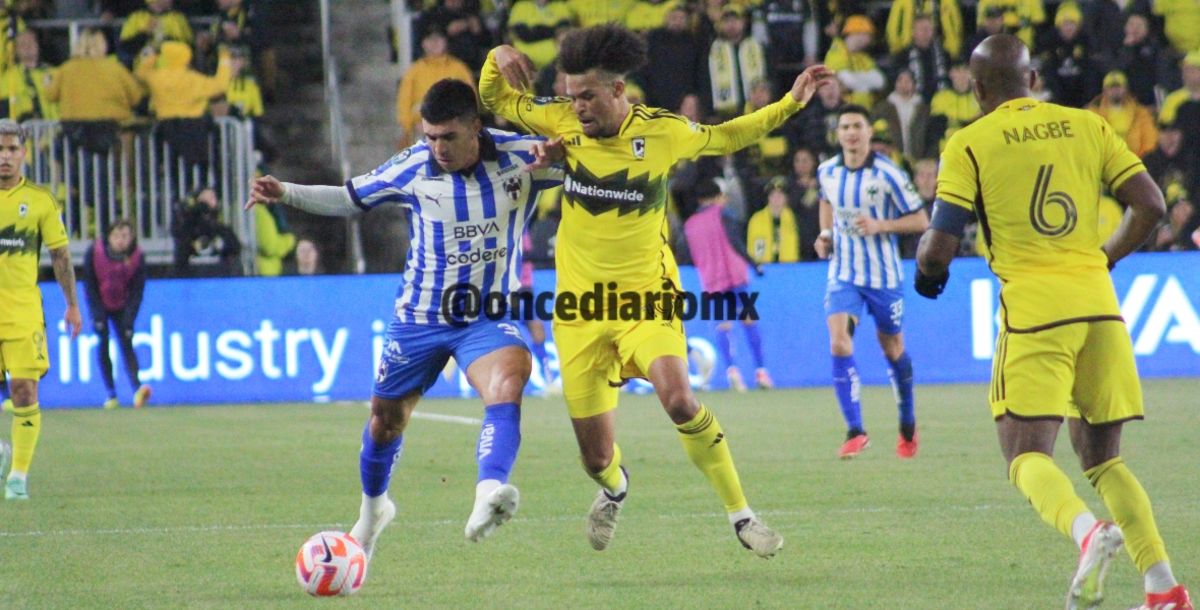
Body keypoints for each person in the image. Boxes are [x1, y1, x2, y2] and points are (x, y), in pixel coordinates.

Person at [480, 23, 834, 558]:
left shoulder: (664, 132)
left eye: (588, 98)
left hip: (647, 298)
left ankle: (742, 515)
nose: (577, 108)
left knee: (679, 398)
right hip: (579, 311)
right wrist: (498, 54)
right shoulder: (558, 119)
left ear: (619, 91)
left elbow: (728, 134)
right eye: (572, 97)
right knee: (596, 458)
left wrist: (788, 103)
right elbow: (495, 95)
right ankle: (615, 488)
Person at [915, 34, 1193, 610]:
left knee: (1025, 456)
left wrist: (927, 275)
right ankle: (1164, 587)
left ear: (975, 89)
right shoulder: (1086, 125)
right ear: (1034, 81)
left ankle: (1088, 534)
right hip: (1099, 304)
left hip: (1035, 311)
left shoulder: (969, 143)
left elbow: (939, 246)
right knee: (1105, 459)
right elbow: (1151, 206)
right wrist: (1104, 258)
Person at [244, 79, 565, 571]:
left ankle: (488, 490)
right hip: (418, 319)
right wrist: (285, 192)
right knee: (385, 421)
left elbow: (592, 166)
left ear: (476, 128)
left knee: (508, 381)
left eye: (448, 138)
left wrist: (561, 159)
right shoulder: (414, 166)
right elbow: (349, 199)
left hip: (485, 316)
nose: (437, 148)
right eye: (430, 136)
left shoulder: (524, 157)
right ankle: (373, 513)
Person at [814, 105, 928, 460]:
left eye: (857, 126)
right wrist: (824, 234)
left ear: (868, 132)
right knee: (838, 342)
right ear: (838, 134)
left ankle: (907, 424)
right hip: (844, 272)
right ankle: (855, 430)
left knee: (893, 350)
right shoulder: (827, 171)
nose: (851, 132)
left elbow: (921, 220)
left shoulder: (888, 174)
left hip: (883, 276)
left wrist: (882, 226)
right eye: (845, 126)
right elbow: (825, 201)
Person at [0, 119, 83, 500]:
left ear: (24, 153)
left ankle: (18, 475)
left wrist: (71, 305)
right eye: (0, 150)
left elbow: (60, 255)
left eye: (12, 149)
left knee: (24, 388)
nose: (5, 157)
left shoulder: (40, 201)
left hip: (22, 310)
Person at [683, 178, 772, 393]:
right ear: (717, 197)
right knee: (749, 321)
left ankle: (732, 370)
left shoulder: (690, 225)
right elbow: (735, 241)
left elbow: (687, 253)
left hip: (711, 280)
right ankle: (760, 371)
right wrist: (754, 263)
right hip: (734, 277)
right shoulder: (723, 215)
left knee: (723, 326)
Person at [83, 219, 151, 410]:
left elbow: (137, 291)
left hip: (123, 306)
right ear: (109, 237)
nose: (121, 241)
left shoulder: (137, 256)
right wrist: (96, 313)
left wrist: (130, 316)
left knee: (127, 343)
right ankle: (111, 393)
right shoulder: (95, 252)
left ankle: (137, 389)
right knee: (103, 344)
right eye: (117, 236)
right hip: (101, 304)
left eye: (125, 236)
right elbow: (90, 285)